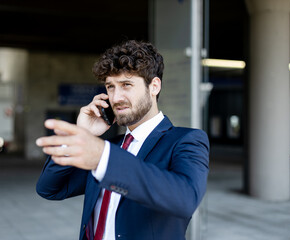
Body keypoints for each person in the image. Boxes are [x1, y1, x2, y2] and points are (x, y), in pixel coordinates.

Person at [36, 40, 209, 240]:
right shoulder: (109, 147)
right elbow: (49, 188)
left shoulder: (186, 140)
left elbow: (186, 199)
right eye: (110, 87)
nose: (116, 97)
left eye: (126, 85)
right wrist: (83, 132)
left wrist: (104, 158)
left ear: (154, 86)